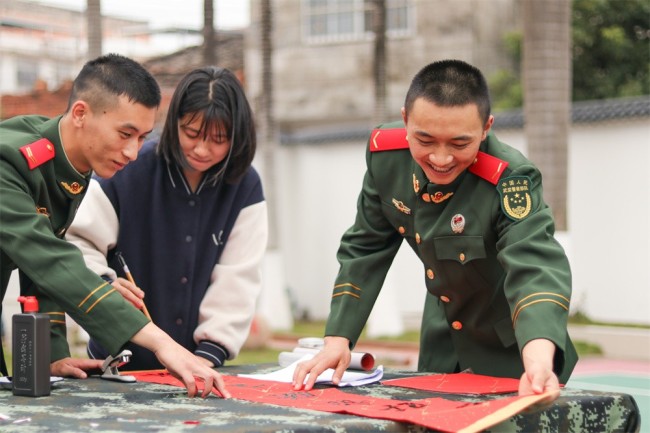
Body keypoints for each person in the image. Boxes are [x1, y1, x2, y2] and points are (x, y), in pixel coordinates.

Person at [293, 59, 578, 401]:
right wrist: (337, 339)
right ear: (405, 120)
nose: (441, 159)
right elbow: (366, 247)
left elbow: (536, 267)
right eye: (425, 140)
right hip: (441, 341)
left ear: (486, 127)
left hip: (512, 351)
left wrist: (537, 358)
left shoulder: (510, 178)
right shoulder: (387, 158)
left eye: (459, 144)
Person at [0, 54, 230, 399]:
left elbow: (41, 266)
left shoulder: (64, 164)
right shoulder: (11, 161)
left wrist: (53, 356)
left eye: (141, 137)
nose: (133, 152)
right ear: (81, 113)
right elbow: (49, 260)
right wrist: (161, 342)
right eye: (125, 134)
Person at [65, 66, 267, 371]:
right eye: (192, 133)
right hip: (117, 361)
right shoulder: (129, 168)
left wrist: (207, 357)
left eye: (218, 139)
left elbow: (237, 277)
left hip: (202, 364)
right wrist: (104, 285)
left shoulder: (245, 186)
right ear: (174, 123)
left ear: (237, 136)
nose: (201, 149)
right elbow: (77, 241)